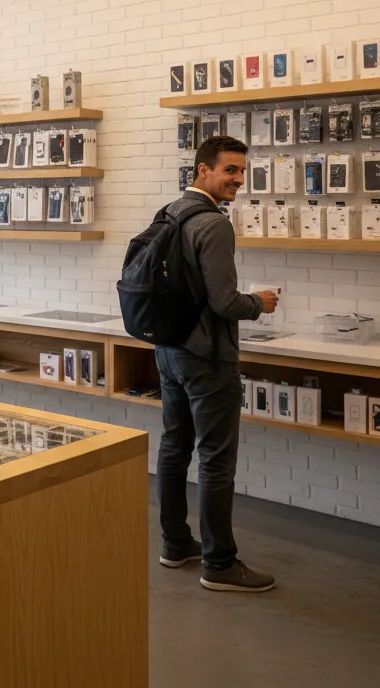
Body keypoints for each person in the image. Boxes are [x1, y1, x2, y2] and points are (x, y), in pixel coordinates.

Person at [155, 135, 279, 593]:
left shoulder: (169, 213)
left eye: (242, 171)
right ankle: (220, 563)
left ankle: (174, 543)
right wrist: (260, 302)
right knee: (216, 459)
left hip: (169, 351)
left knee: (174, 447)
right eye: (230, 170)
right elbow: (225, 301)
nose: (238, 180)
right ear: (202, 170)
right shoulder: (213, 224)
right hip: (207, 357)